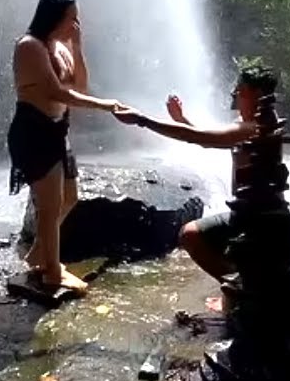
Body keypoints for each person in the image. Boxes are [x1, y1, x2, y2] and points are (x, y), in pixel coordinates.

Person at [10, 0, 128, 293]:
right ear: (54, 17)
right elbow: (56, 92)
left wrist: (77, 46)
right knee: (49, 207)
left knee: (70, 197)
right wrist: (104, 105)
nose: (75, 25)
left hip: (58, 131)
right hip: (34, 131)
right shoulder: (29, 46)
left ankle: (39, 251)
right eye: (71, 19)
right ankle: (51, 272)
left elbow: (79, 85)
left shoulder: (61, 47)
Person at [111, 67, 271, 283]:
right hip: (249, 210)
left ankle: (239, 288)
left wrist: (142, 119)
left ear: (256, 95)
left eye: (240, 91)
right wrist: (181, 119)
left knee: (190, 235)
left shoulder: (255, 128)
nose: (235, 95)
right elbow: (207, 139)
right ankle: (240, 283)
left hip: (257, 215)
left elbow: (198, 137)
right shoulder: (252, 125)